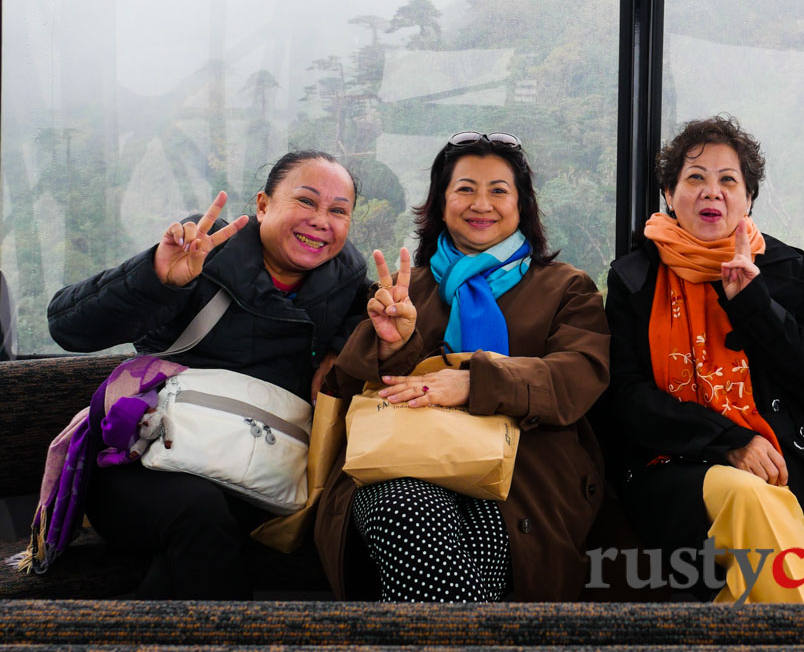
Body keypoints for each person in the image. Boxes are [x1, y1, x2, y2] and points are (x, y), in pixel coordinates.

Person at [46, 150, 370, 598]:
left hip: (256, 470)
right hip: (142, 464)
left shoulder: (346, 282)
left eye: (338, 211)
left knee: (204, 535)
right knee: (201, 514)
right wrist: (157, 277)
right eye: (306, 201)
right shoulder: (203, 251)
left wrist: (340, 348)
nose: (321, 220)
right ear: (262, 206)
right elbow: (67, 327)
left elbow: (374, 325)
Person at [314, 131, 610, 602]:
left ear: (522, 205)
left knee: (486, 541)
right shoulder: (405, 288)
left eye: (498, 190)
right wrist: (392, 344)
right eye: (466, 189)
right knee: (404, 507)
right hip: (404, 464)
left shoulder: (565, 287)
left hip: (522, 478)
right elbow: (345, 389)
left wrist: (475, 383)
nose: (481, 203)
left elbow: (580, 374)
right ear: (441, 202)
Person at [604, 115, 804, 603]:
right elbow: (624, 397)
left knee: (764, 519)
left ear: (748, 198)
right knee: (752, 497)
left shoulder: (784, 268)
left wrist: (754, 305)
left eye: (728, 181)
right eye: (694, 178)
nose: (711, 192)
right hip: (671, 470)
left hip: (785, 465)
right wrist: (728, 442)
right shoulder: (634, 277)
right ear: (670, 195)